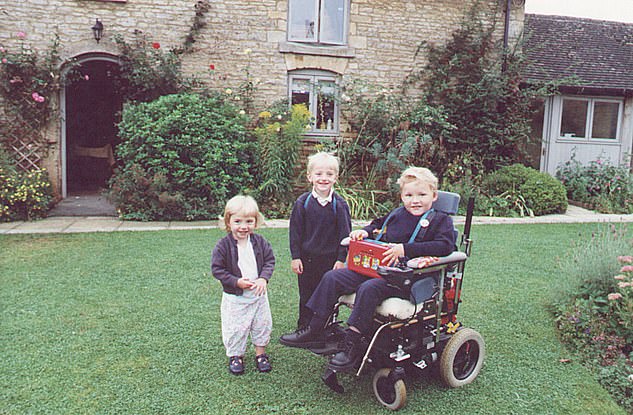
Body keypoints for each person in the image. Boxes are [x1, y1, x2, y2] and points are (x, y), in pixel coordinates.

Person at [280, 167, 456, 370]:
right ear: (402, 196)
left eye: (421, 195)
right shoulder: (398, 214)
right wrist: (363, 232)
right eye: (409, 195)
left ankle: (351, 345)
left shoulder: (440, 220)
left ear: (434, 196)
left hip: (407, 279)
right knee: (333, 277)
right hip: (379, 270)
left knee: (369, 288)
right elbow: (376, 226)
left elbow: (446, 246)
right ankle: (315, 328)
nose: (415, 201)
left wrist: (405, 249)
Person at [212, 195, 275, 375]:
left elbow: (270, 260)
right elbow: (217, 270)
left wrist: (263, 278)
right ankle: (236, 356)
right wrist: (236, 282)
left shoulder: (259, 242)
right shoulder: (223, 246)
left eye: (249, 221)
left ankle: (261, 354)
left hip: (258, 295)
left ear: (256, 222)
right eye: (238, 221)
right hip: (236, 298)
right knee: (236, 327)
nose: (243, 226)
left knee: (262, 324)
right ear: (228, 222)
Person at [288, 152, 351, 330]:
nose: (324, 178)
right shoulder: (303, 203)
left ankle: (325, 325)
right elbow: (295, 233)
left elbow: (345, 235)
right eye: (319, 174)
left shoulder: (339, 205)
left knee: (327, 294)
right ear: (310, 177)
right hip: (307, 259)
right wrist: (296, 257)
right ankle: (304, 326)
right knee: (307, 293)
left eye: (329, 174)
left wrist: (340, 259)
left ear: (336, 178)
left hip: (330, 261)